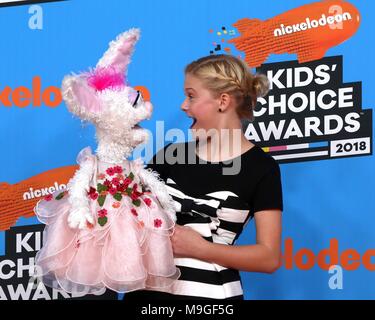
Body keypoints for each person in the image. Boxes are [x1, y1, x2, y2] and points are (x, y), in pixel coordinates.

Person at [124, 54, 283, 300]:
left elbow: (269, 257)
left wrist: (202, 248)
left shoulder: (262, 168)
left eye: (191, 95)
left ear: (222, 101)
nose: (183, 105)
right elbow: (129, 220)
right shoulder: (170, 155)